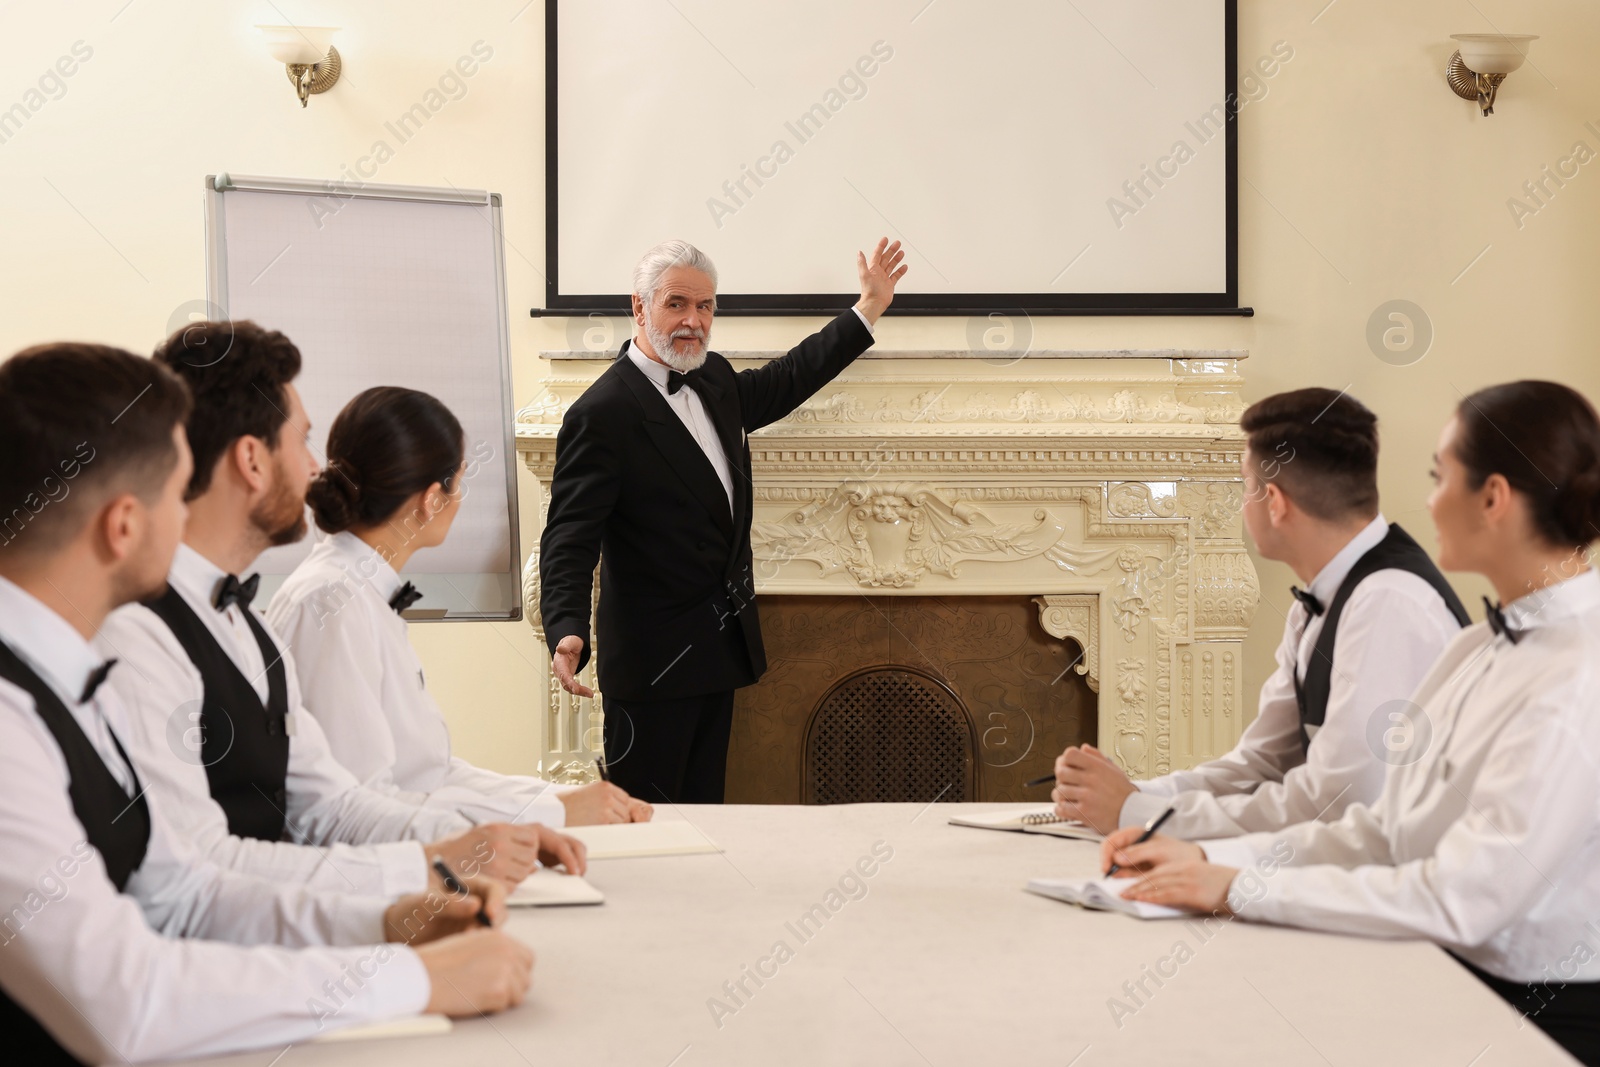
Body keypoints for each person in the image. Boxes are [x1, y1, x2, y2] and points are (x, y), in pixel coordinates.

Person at [0, 342, 532, 1064]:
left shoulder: (68, 671)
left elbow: (183, 891)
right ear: (123, 525)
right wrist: (406, 976)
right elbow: (125, 999)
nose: (186, 514)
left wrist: (385, 919)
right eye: (173, 487)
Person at [1098, 381, 1600, 1065]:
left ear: (1493, 498)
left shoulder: (1578, 673)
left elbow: (1463, 897)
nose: (1424, 500)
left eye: (1438, 476)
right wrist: (1211, 859)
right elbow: (1385, 829)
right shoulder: (1476, 647)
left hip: (1538, 1019)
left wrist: (1240, 885)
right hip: (1448, 972)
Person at [99, 320, 585, 899]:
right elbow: (189, 880)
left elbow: (330, 804)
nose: (315, 469)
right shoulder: (139, 631)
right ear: (252, 460)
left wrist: (486, 838)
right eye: (302, 441)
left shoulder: (245, 626)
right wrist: (429, 874)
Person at [539, 237, 908, 803]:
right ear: (639, 309)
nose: (694, 321)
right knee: (646, 827)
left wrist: (868, 309)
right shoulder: (602, 413)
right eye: (677, 304)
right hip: (652, 669)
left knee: (706, 816)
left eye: (706, 307)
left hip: (717, 651)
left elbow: (788, 379)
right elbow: (570, 535)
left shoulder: (712, 378)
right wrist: (567, 627)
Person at [1052, 388, 1467, 838]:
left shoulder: (1389, 604)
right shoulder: (1322, 600)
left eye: (1243, 486)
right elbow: (1261, 764)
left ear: (1274, 501)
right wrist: (1132, 794)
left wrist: (1136, 813)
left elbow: (1340, 802)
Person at [267, 385, 652, 826]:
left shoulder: (363, 593)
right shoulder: (331, 605)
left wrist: (564, 798)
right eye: (460, 481)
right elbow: (350, 806)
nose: (461, 498)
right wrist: (550, 813)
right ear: (432, 500)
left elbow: (431, 773)